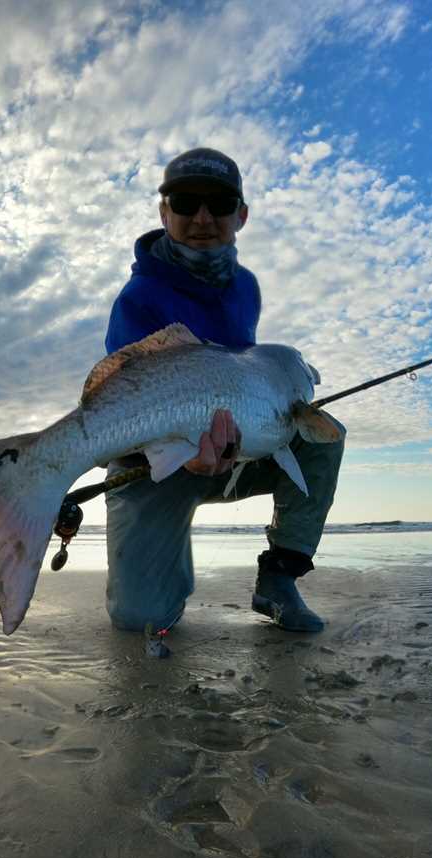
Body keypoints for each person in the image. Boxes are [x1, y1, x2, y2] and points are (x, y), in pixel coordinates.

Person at [104, 147, 344, 636]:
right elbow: (120, 412)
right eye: (186, 202)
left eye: (219, 204)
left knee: (326, 435)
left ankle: (279, 579)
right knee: (141, 619)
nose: (203, 218)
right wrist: (182, 451)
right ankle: (162, 564)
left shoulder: (246, 286)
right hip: (147, 467)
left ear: (242, 215)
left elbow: (239, 370)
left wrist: (226, 439)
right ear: (163, 212)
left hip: (230, 453)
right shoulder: (138, 299)